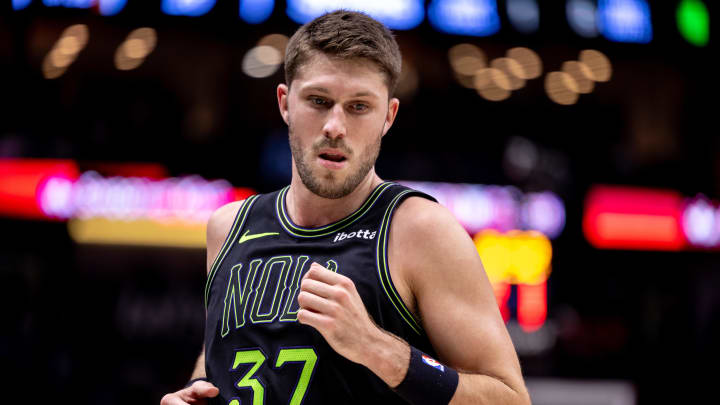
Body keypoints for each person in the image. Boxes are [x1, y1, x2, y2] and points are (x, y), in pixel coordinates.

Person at [161, 10, 530, 405]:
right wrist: (192, 393)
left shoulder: (420, 230)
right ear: (285, 104)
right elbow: (218, 359)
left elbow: (509, 398)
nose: (335, 126)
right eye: (319, 101)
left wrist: (377, 348)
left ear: (388, 117)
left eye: (358, 107)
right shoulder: (228, 226)